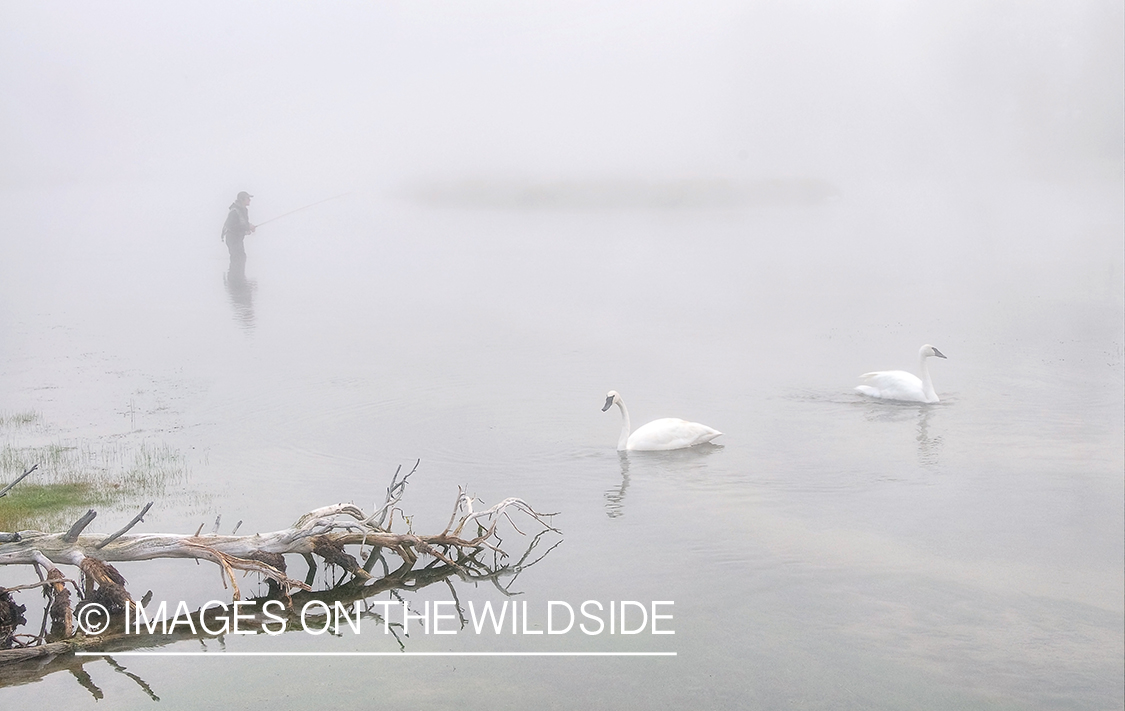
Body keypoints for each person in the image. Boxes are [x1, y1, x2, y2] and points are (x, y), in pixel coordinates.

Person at [221, 191, 256, 259]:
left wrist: (249, 227)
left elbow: (242, 223)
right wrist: (246, 230)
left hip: (238, 239)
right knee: (237, 259)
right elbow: (231, 226)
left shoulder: (244, 210)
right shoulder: (234, 211)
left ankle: (235, 270)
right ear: (241, 199)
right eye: (247, 198)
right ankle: (234, 270)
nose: (249, 200)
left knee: (241, 258)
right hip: (232, 239)